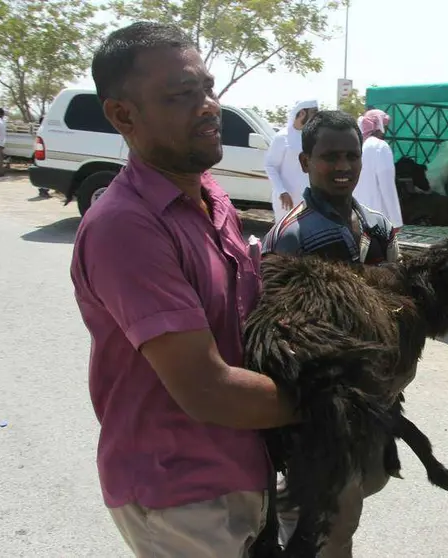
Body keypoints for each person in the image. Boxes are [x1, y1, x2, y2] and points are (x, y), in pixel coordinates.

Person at [69, 21, 300, 557]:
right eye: (182, 95)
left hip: (241, 465)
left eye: (208, 89)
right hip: (179, 493)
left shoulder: (210, 197)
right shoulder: (125, 226)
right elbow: (207, 388)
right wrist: (331, 400)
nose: (209, 106)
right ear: (123, 115)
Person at [262, 110, 401, 558]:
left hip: (374, 391)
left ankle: (289, 502)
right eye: (329, 157)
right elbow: (280, 333)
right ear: (304, 162)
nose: (343, 167)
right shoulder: (293, 236)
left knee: (375, 475)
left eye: (351, 156)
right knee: (337, 523)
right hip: (323, 402)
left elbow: (399, 300)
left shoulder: (377, 226)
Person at [264, 99, 319, 223]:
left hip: (309, 200)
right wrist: (282, 191)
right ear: (302, 114)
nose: (316, 117)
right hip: (287, 201)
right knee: (286, 237)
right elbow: (270, 166)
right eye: (313, 112)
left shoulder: (312, 137)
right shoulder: (282, 137)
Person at [353, 108, 403, 227]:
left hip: (355, 215)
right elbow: (387, 186)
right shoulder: (380, 146)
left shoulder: (356, 145)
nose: (386, 131)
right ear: (378, 126)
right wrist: (396, 221)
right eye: (385, 126)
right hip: (377, 217)